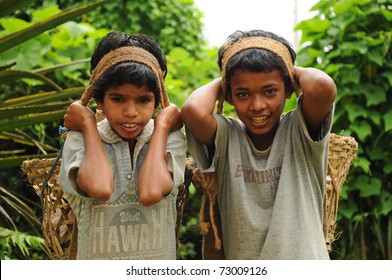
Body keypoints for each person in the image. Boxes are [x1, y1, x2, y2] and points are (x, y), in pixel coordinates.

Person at [181, 29, 336, 260]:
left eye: (270, 91)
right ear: (229, 96)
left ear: (289, 88)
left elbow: (322, 86)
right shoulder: (227, 137)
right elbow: (192, 111)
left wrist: (287, 68)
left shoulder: (299, 130)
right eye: (243, 94)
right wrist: (226, 75)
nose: (257, 105)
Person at [58, 31, 187, 260]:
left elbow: (150, 192)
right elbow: (100, 188)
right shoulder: (79, 137)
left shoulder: (169, 137)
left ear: (157, 101)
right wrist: (87, 124)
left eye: (143, 100)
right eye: (118, 99)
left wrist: (163, 125)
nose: (130, 112)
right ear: (99, 100)